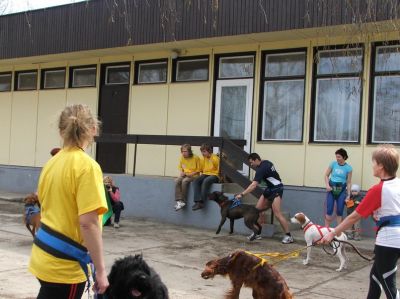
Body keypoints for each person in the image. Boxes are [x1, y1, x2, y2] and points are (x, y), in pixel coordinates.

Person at [29, 104, 109, 298]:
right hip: (64, 267)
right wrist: (100, 271)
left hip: (43, 255)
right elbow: (88, 223)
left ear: (61, 131)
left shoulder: (51, 163)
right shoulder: (87, 167)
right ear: (93, 129)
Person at [321, 144, 400, 299]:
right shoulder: (397, 184)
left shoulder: (378, 190)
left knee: (389, 285)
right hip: (394, 239)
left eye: (374, 162)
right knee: (375, 277)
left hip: (388, 241)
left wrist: (332, 234)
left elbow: (353, 217)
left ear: (381, 166)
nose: (373, 166)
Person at [235, 153, 293, 244]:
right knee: (256, 211)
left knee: (277, 213)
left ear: (255, 160)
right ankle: (257, 233)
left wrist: (241, 194)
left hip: (277, 189)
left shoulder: (261, 169)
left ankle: (289, 236)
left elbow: (253, 185)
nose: (251, 165)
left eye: (251, 162)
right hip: (269, 189)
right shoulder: (266, 162)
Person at [324, 148, 352, 227]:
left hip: (341, 190)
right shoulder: (333, 164)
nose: (337, 158)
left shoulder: (349, 168)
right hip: (331, 189)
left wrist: (348, 195)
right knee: (329, 209)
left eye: (339, 157)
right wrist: (327, 185)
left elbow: (348, 182)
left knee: (340, 210)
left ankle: (338, 231)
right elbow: (326, 175)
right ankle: (326, 229)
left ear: (344, 157)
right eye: (336, 157)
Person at [192, 143, 220, 211]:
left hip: (215, 175)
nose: (202, 153)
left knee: (206, 181)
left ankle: (202, 202)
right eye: (202, 151)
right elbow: (201, 169)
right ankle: (197, 201)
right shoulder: (203, 159)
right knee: (196, 180)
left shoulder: (215, 158)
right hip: (205, 174)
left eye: (204, 151)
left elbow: (219, 170)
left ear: (209, 151)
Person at [174, 144, 200, 211]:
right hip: (185, 174)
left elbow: (199, 170)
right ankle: (179, 201)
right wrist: (182, 172)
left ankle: (183, 201)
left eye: (185, 151)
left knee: (184, 181)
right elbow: (180, 167)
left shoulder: (196, 157)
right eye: (182, 151)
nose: (183, 153)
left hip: (194, 176)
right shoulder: (182, 157)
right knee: (177, 180)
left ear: (189, 151)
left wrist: (191, 174)